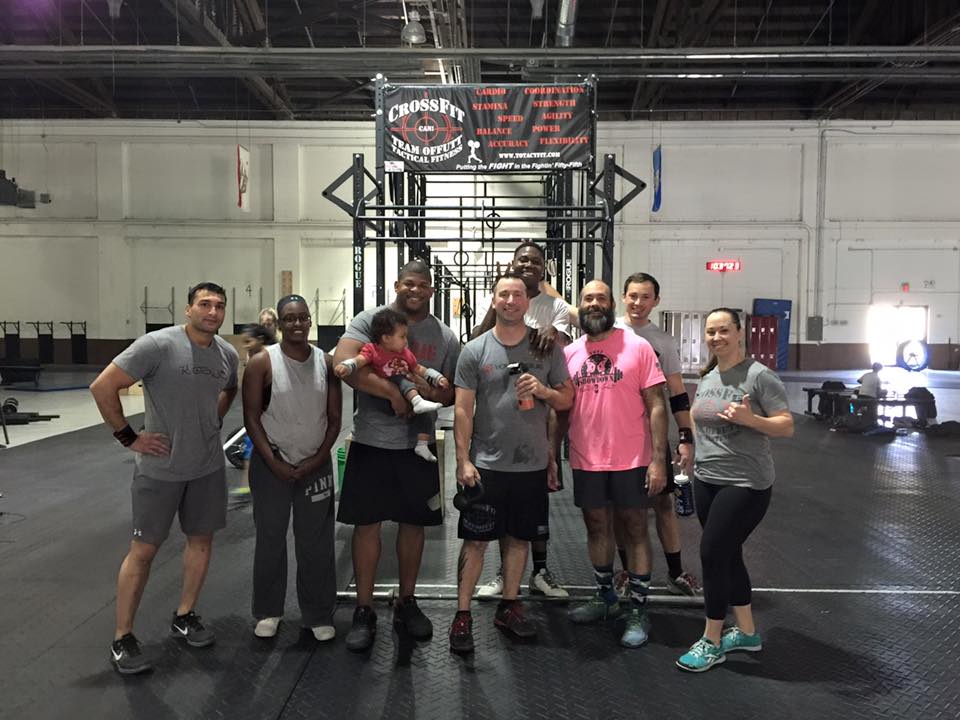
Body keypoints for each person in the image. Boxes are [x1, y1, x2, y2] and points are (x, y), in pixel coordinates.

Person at [89, 282, 240, 675]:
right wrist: (129, 437)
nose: (213, 311)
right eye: (204, 304)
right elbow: (103, 386)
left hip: (207, 467)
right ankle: (122, 637)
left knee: (201, 542)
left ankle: (185, 615)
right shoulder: (157, 345)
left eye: (219, 305)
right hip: (161, 470)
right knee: (143, 551)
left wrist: (213, 420)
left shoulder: (226, 353)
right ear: (188, 309)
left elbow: (230, 388)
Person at [333, 260, 460, 652]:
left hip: (416, 445)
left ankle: (407, 601)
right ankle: (364, 609)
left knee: (414, 525)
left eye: (422, 285)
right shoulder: (370, 321)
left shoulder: (445, 336)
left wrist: (427, 391)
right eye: (409, 283)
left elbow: (450, 392)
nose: (415, 290)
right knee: (366, 525)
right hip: (371, 440)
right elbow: (344, 365)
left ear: (431, 290)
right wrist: (393, 392)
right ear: (397, 285)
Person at [448, 270, 574, 654]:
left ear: (527, 302)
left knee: (519, 539)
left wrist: (544, 391)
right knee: (475, 542)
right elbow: (463, 410)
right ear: (494, 300)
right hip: (486, 465)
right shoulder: (475, 350)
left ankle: (509, 606)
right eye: (503, 294)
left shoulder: (545, 348)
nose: (510, 301)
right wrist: (462, 460)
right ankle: (462, 614)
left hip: (530, 465)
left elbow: (567, 399)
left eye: (517, 295)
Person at [676, 307, 794, 672]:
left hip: (745, 482)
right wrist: (691, 450)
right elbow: (699, 418)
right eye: (711, 331)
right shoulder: (709, 375)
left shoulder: (759, 376)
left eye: (724, 330)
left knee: (712, 553)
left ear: (740, 333)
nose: (716, 337)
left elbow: (786, 425)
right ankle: (746, 632)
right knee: (728, 554)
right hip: (706, 478)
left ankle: (712, 640)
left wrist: (751, 420)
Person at [561, 280, 668, 648]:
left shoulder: (637, 347)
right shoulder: (570, 353)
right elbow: (561, 409)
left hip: (632, 458)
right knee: (596, 527)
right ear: (580, 305)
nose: (595, 303)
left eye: (601, 298)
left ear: (611, 305)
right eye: (588, 298)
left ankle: (637, 608)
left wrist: (658, 460)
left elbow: (657, 404)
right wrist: (551, 455)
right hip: (586, 458)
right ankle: (605, 597)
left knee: (635, 528)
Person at [473, 241, 572, 600]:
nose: (529, 265)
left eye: (535, 261)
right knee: (504, 506)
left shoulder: (555, 306)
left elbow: (560, 342)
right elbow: (480, 337)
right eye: (522, 261)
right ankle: (505, 573)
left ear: (544, 268)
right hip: (503, 410)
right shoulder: (504, 297)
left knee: (536, 501)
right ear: (513, 265)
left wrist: (550, 332)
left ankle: (541, 571)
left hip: (539, 412)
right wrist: (499, 307)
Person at [242, 295, 342, 642]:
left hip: (315, 464)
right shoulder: (262, 363)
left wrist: (317, 459)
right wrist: (273, 461)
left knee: (316, 542)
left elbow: (334, 419)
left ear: (310, 321)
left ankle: (317, 613)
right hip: (272, 465)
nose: (297, 324)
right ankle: (268, 611)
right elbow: (251, 417)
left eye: (302, 318)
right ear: (279, 324)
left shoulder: (326, 363)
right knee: (270, 538)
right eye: (289, 318)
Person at [616, 273, 702, 596]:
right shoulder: (609, 332)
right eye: (633, 296)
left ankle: (676, 573)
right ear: (623, 297)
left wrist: (685, 437)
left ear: (656, 301)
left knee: (662, 504)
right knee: (618, 508)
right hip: (616, 436)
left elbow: (677, 392)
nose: (638, 303)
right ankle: (627, 572)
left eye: (646, 297)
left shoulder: (662, 341)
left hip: (651, 434)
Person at [335, 307, 449, 462]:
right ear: (386, 338)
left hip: (408, 385)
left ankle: (422, 445)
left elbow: (418, 368)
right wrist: (347, 366)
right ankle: (417, 401)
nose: (406, 341)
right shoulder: (373, 350)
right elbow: (359, 360)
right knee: (402, 380)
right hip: (391, 382)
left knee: (426, 415)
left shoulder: (405, 353)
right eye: (402, 336)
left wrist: (436, 377)